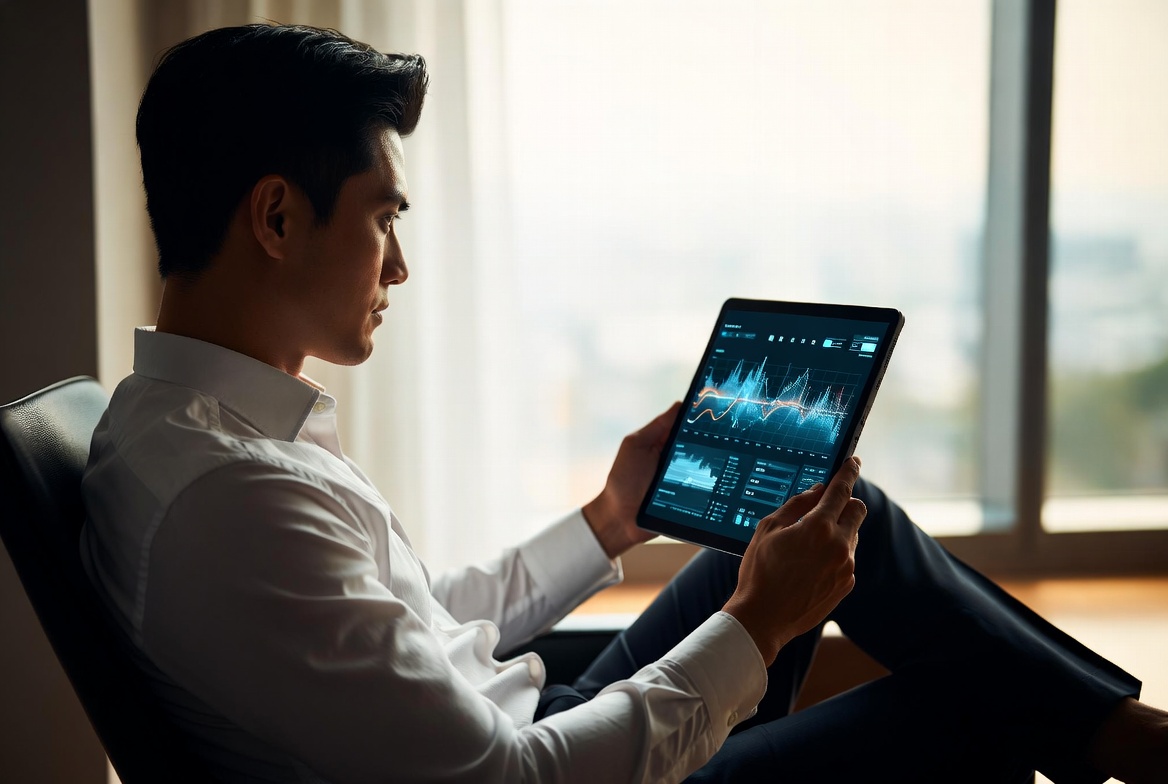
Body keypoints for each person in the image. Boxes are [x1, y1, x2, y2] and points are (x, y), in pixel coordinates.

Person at [80, 23, 1166, 784]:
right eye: (380, 218)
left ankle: (1127, 737)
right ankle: (1123, 740)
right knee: (961, 715)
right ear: (276, 219)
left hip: (526, 722)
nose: (397, 267)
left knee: (837, 519)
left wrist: (612, 516)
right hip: (551, 769)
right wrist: (755, 620)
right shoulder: (234, 500)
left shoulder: (191, 429)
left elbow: (419, 624)